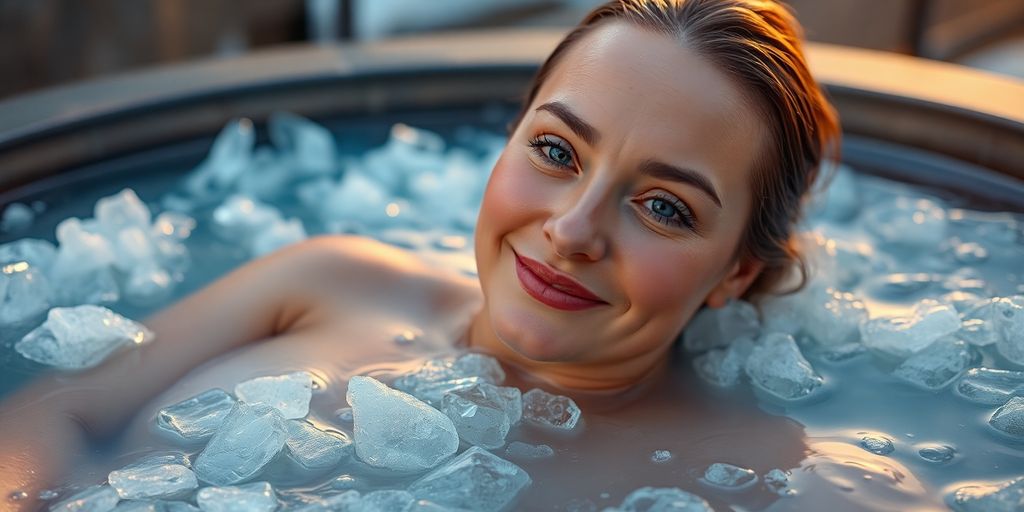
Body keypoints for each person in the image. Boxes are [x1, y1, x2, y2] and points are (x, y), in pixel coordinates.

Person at [0, 0, 840, 508]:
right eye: (556, 151)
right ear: (508, 140)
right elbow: (55, 411)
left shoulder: (736, 481)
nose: (573, 229)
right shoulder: (329, 279)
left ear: (735, 272)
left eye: (664, 207)